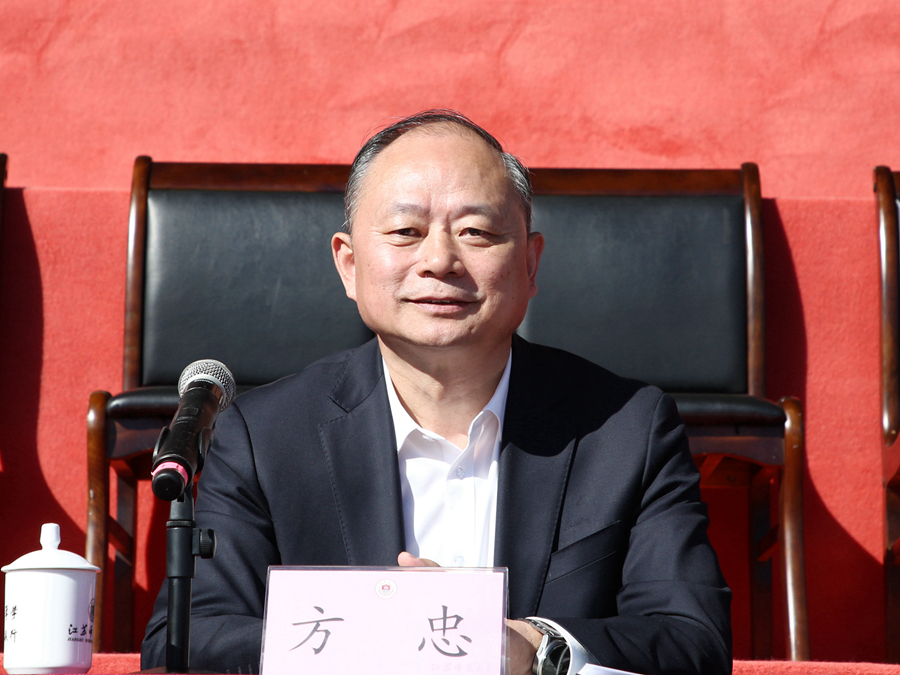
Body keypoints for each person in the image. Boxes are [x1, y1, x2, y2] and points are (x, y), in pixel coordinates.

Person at [142, 110, 731, 675]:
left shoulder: (627, 429)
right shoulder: (266, 435)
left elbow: (693, 638)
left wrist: (532, 647)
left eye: (476, 232)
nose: (440, 260)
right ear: (348, 264)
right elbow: (190, 635)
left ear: (530, 263)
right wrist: (389, 635)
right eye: (406, 232)